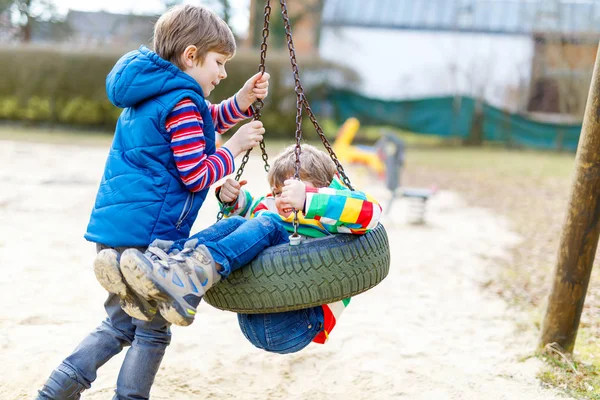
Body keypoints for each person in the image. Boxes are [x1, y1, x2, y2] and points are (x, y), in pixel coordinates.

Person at [37, 4, 269, 399]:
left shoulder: (153, 93)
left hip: (116, 233)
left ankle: (56, 390)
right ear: (191, 55)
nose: (223, 73)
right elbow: (195, 172)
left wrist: (241, 101)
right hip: (153, 239)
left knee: (118, 323)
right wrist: (232, 149)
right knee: (152, 329)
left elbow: (201, 123)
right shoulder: (182, 103)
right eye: (218, 62)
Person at [114, 144, 382, 354]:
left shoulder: (335, 214)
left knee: (268, 224)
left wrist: (309, 200)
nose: (283, 198)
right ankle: (167, 266)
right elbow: (253, 214)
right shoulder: (273, 211)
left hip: (299, 322)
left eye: (292, 190)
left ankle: (191, 276)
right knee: (240, 222)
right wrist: (234, 199)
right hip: (256, 315)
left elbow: (372, 213)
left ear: (322, 189)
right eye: (277, 192)